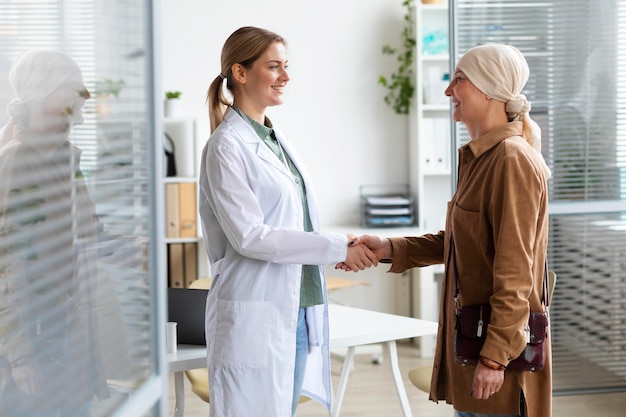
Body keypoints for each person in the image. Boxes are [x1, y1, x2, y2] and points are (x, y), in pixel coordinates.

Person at [348, 44, 552, 417]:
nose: (447, 91)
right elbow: (461, 243)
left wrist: (493, 360)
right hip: (472, 349)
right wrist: (388, 248)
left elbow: (516, 273)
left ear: (489, 89)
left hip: (496, 359)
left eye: (458, 80)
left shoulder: (512, 160)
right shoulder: (479, 159)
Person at [199, 26, 377, 417]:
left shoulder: (279, 142)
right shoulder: (225, 146)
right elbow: (251, 237)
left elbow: (297, 222)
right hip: (256, 310)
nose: (286, 76)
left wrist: (338, 244)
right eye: (274, 66)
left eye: (286, 66)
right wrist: (335, 247)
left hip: (296, 307)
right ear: (240, 73)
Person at [0, 50, 144, 417]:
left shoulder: (64, 158)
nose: (85, 96)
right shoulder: (17, 160)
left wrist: (142, 251)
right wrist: (21, 357)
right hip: (36, 341)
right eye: (72, 86)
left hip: (67, 336)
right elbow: (6, 266)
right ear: (43, 93)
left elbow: (90, 237)